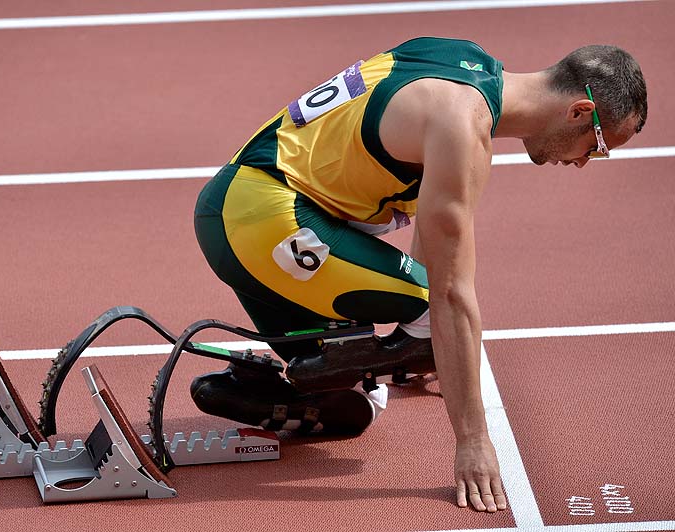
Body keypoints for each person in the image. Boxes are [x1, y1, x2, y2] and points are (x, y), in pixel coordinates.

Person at [189, 36, 647, 512]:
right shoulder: (463, 127)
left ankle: (267, 388)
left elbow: (431, 241)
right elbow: (449, 293)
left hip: (245, 214)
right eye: (596, 146)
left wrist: (422, 343)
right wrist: (472, 439)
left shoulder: (457, 62)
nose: (581, 163)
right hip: (262, 221)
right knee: (440, 309)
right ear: (578, 111)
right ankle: (405, 351)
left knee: (355, 405)